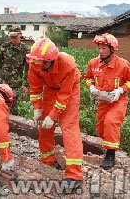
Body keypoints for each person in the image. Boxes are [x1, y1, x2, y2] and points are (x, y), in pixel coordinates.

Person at [27, 38, 83, 191]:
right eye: (36, 63)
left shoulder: (68, 66)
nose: (38, 66)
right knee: (43, 126)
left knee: (69, 128)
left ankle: (75, 174)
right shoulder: (35, 63)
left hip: (69, 90)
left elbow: (64, 96)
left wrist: (53, 116)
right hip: (50, 90)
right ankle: (47, 158)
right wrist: (37, 110)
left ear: (52, 60)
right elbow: (36, 89)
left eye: (42, 64)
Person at [85, 33, 130, 170]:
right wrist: (91, 87)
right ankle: (108, 148)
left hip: (118, 100)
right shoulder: (93, 63)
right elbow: (89, 78)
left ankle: (110, 156)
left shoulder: (123, 65)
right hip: (103, 100)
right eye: (99, 48)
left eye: (104, 48)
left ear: (112, 49)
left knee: (111, 122)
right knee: (101, 126)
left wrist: (120, 90)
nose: (101, 51)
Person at [0, 26, 30, 115]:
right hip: (1, 81)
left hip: (15, 83)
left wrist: (26, 85)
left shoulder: (26, 49)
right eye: (11, 36)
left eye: (15, 36)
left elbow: (28, 69)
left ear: (20, 35)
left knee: (13, 107)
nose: (13, 38)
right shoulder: (5, 46)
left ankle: (12, 127)